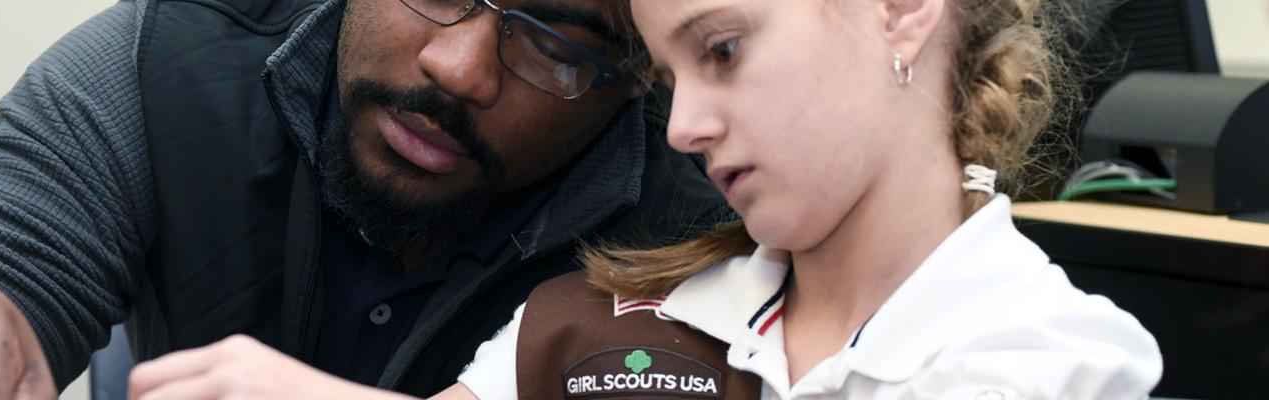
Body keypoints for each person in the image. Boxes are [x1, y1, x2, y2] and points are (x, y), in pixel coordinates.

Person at [124, 0, 1166, 398]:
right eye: (670, 81)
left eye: (723, 51)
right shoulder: (605, 310)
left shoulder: (1057, 362)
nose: (682, 129)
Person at [0, 0, 730, 398]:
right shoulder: (161, 62)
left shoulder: (703, 201)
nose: (458, 66)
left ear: (636, 77)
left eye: (553, 42)